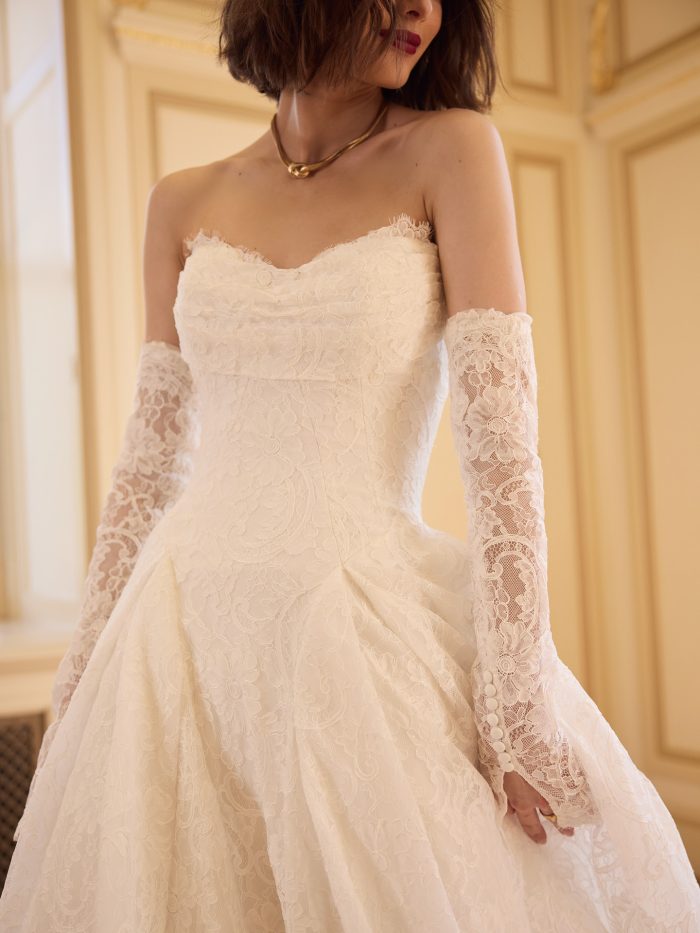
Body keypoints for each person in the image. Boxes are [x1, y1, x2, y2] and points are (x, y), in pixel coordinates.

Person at [1, 0, 699, 929]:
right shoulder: (180, 201)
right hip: (178, 640)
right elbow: (150, 460)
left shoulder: (452, 150)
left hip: (356, 638)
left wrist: (517, 694)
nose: (422, 7)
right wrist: (83, 674)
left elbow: (502, 447)